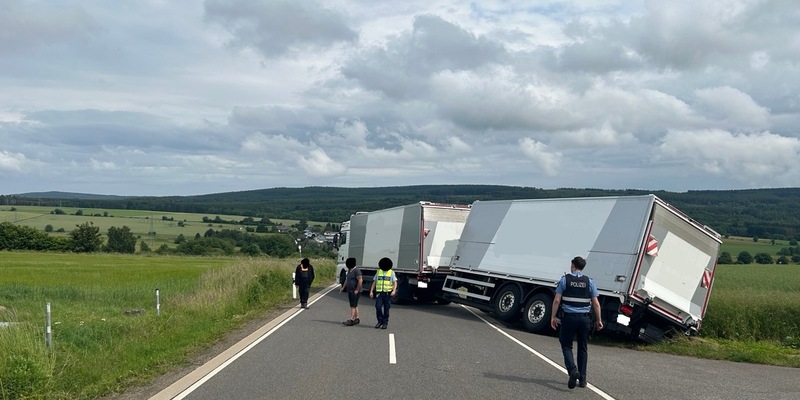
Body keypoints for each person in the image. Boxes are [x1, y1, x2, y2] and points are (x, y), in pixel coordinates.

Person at [550, 256, 603, 389]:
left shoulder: (565, 280)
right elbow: (596, 303)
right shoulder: (589, 282)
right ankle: (583, 380)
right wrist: (599, 320)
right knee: (583, 348)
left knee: (566, 345)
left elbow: (557, 300)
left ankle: (573, 371)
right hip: (584, 320)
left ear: (572, 265)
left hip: (569, 318)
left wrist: (553, 317)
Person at [369, 257, 397, 329]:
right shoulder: (379, 272)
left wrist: (394, 290)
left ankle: (385, 323)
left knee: (386, 309)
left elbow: (395, 282)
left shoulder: (391, 272)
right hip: (379, 293)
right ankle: (379, 321)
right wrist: (371, 291)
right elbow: (375, 282)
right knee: (378, 307)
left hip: (387, 293)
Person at [339, 257, 362, 326]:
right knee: (355, 305)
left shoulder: (356, 271)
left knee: (353, 305)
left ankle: (351, 319)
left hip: (354, 291)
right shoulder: (349, 270)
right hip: (350, 290)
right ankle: (357, 318)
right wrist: (343, 287)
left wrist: (357, 289)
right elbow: (347, 279)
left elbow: (360, 280)